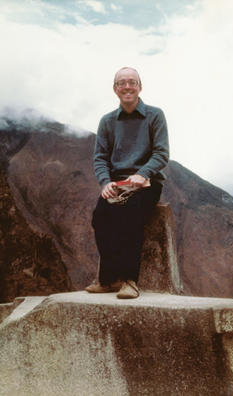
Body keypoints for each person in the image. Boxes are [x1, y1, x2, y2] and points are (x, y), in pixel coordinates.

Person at [85, 67, 169, 299]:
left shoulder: (155, 115)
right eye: (121, 83)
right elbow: (100, 157)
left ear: (140, 87)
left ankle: (129, 280)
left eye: (132, 82)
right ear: (115, 89)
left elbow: (161, 153)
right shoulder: (107, 121)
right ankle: (108, 279)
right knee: (100, 217)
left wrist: (142, 174)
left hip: (147, 183)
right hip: (118, 184)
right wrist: (105, 183)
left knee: (130, 215)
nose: (127, 86)